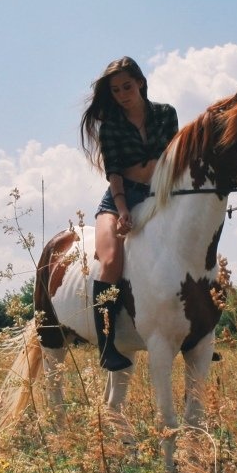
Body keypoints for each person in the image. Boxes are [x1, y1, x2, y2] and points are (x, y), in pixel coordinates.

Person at [79, 56, 179, 370]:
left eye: (127, 86)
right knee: (109, 261)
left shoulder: (166, 114)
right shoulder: (111, 127)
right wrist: (122, 211)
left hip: (159, 196)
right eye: (116, 90)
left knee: (192, 247)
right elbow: (115, 174)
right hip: (120, 198)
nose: (123, 94)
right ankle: (107, 345)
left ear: (140, 83)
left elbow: (173, 159)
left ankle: (197, 332)